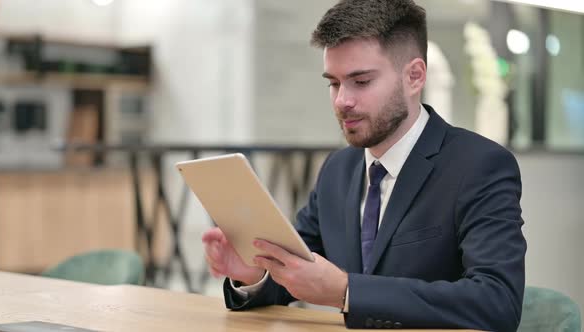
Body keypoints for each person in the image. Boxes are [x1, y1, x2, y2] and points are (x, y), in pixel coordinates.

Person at [202, 0, 527, 330]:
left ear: (414, 77)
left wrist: (347, 290)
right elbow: (300, 269)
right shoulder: (338, 170)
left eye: (361, 81)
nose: (343, 100)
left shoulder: (479, 166)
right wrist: (254, 272)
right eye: (334, 83)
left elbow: (496, 302)